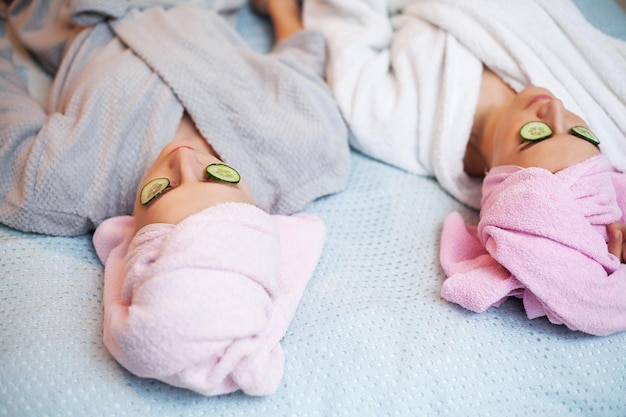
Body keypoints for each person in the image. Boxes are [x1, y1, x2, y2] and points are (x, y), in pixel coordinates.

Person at [1, 0, 350, 396]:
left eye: (159, 191)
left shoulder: (61, 184)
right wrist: (280, 11)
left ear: (130, 234)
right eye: (219, 174)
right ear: (252, 210)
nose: (183, 160)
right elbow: (302, 61)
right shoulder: (308, 148)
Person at [298, 0, 626, 334]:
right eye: (579, 131)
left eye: (535, 135)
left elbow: (346, 23)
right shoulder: (611, 118)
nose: (555, 107)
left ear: (502, 178)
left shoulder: (394, 122)